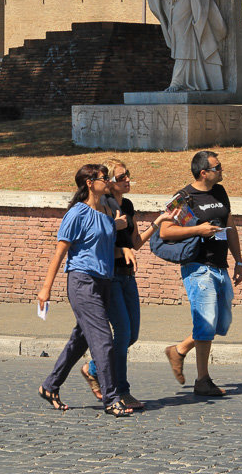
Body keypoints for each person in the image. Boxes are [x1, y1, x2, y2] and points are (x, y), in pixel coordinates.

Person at [81, 159, 178, 410]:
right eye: (121, 176)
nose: (127, 180)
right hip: (109, 276)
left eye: (128, 175)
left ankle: (92, 368)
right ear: (109, 182)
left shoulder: (128, 205)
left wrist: (159, 221)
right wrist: (119, 246)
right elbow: (96, 241)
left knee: (131, 334)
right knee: (122, 333)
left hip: (126, 276)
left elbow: (135, 242)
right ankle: (121, 391)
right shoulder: (102, 206)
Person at [37, 164, 133, 417]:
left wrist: (120, 235)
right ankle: (112, 399)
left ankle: (49, 386)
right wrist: (45, 288)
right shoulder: (77, 213)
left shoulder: (106, 211)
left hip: (104, 283)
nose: (108, 181)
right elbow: (60, 252)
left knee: (79, 342)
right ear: (90, 183)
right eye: (103, 178)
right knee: (103, 341)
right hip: (82, 283)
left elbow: (101, 248)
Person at [160, 150, 242, 396]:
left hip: (220, 266)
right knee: (206, 323)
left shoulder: (219, 192)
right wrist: (198, 229)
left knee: (221, 322)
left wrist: (239, 261)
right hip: (198, 267)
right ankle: (203, 380)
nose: (222, 171)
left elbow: (230, 227)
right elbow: (165, 231)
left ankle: (179, 349)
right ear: (203, 172)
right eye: (218, 167)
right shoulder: (183, 197)